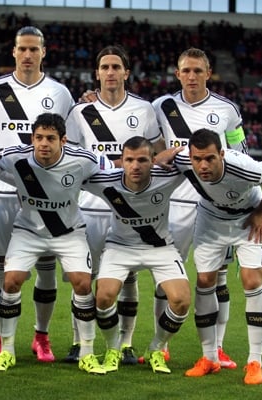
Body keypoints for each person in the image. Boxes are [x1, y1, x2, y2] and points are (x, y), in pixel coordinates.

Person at [0, 26, 75, 363]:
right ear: (13, 52)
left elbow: (73, 138)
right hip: (1, 190)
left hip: (45, 195)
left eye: (34, 49)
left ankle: (41, 337)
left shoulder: (60, 93)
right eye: (22, 49)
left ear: (44, 52)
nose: (28, 55)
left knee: (45, 266)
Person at [64, 45, 164, 364]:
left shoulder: (144, 109)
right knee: (84, 277)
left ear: (126, 73)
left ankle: (125, 343)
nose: (110, 72)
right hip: (90, 207)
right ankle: (79, 342)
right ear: (97, 74)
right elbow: (68, 155)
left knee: (129, 277)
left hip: (130, 209)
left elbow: (158, 153)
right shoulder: (81, 112)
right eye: (104, 67)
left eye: (115, 67)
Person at [151, 47, 248, 367]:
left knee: (217, 279)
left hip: (215, 206)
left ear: (208, 73)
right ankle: (160, 345)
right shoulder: (160, 107)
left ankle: (216, 348)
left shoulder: (228, 110)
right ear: (177, 74)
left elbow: (241, 154)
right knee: (167, 277)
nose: (191, 76)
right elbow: (142, 142)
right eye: (185, 71)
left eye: (198, 71)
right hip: (173, 204)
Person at [0, 113, 106, 375]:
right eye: (39, 137)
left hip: (69, 232)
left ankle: (87, 352)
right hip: (28, 231)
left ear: (63, 140)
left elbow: (110, 173)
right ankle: (7, 351)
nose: (44, 143)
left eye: (51, 138)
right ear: (32, 138)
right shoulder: (17, 156)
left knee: (83, 284)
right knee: (10, 282)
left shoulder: (83, 160)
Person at [175, 129, 262, 385]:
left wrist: (261, 212)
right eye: (197, 159)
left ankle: (255, 361)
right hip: (210, 219)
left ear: (222, 154)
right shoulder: (184, 160)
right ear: (190, 156)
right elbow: (163, 158)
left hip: (248, 219)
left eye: (210, 159)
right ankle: (210, 358)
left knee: (252, 281)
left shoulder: (245, 168)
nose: (203, 165)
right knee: (204, 281)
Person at [83, 136, 190, 374]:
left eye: (142, 160)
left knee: (181, 301)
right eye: (129, 160)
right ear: (121, 160)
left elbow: (196, 154)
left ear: (153, 161)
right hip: (119, 246)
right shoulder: (107, 180)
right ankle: (113, 349)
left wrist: (175, 150)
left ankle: (156, 348)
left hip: (160, 248)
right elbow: (69, 178)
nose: (135, 166)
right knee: (103, 297)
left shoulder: (168, 176)